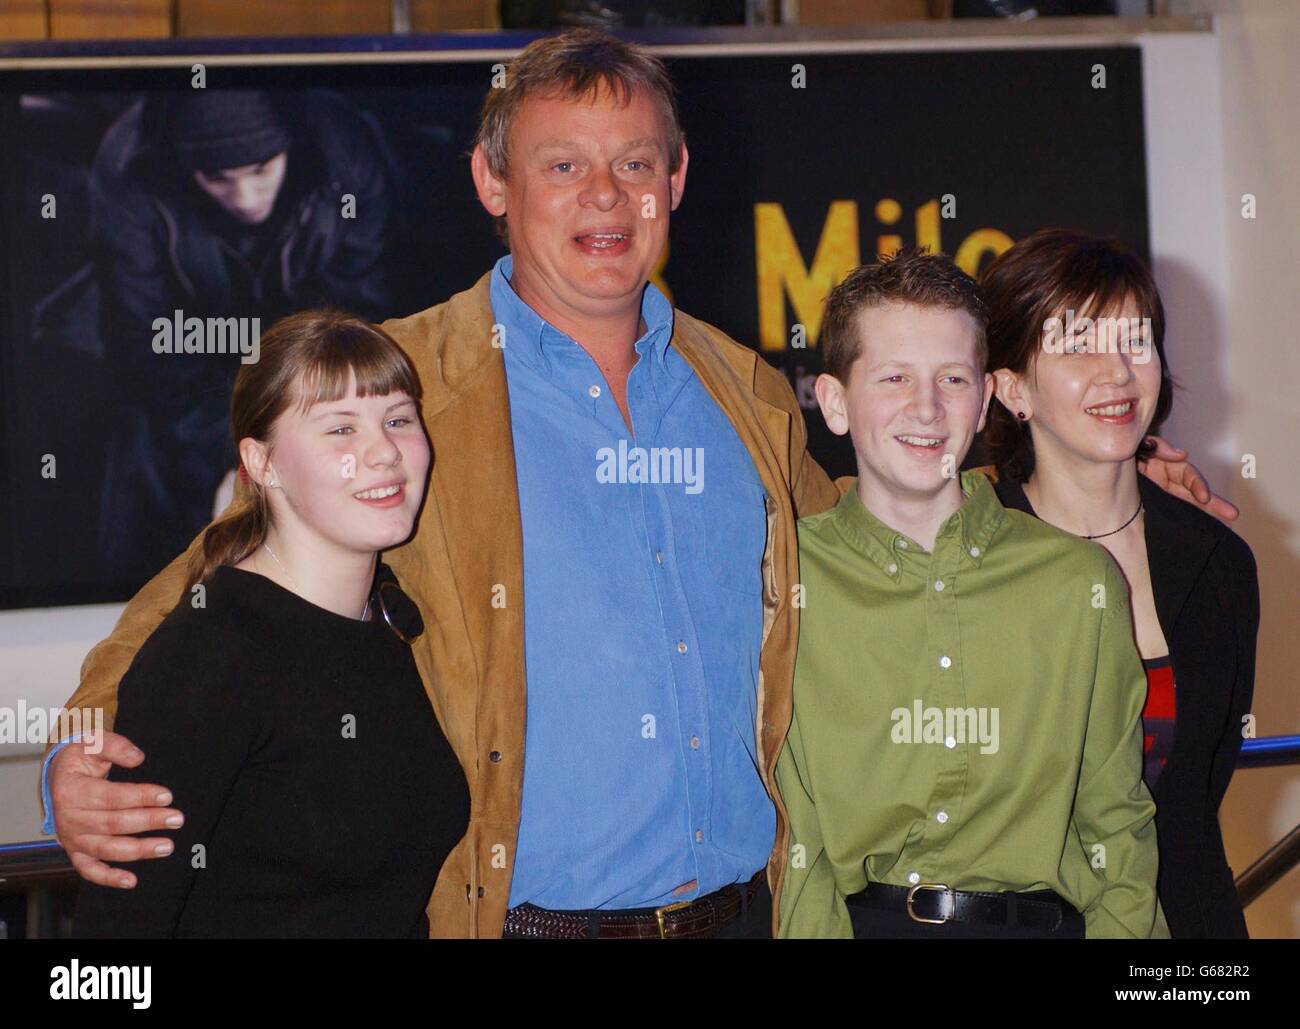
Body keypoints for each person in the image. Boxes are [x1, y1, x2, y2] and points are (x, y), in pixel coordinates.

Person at [42, 30, 1228, 940]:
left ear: (676, 177)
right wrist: (75, 753)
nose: (604, 198)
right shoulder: (405, 389)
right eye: (563, 165)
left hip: (748, 915)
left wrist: (1108, 486)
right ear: (493, 182)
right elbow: (206, 589)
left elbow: (894, 540)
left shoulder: (744, 394)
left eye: (634, 163)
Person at [776, 247, 1168, 939]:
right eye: (894, 376)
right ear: (833, 403)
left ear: (986, 398)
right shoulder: (788, 582)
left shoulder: (1078, 585)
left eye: (952, 378)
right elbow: (792, 835)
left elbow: (1119, 828)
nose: (925, 408)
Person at [71, 310, 468, 937]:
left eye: (398, 419)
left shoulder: (395, 624)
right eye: (340, 429)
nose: (384, 450)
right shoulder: (211, 651)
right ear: (262, 464)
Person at [981, 229, 1257, 937]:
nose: (1118, 372)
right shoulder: (970, 558)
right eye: (1077, 344)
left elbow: (1201, 786)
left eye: (1135, 340)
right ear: (1012, 386)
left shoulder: (1216, 561)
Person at [90, 89, 397, 582]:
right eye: (217, 179)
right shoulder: (128, 173)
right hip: (186, 377)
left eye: (261, 169)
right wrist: (232, 463)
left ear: (290, 148)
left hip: (318, 379)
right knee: (139, 474)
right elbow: (150, 352)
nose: (246, 199)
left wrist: (292, 456)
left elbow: (363, 330)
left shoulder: (347, 158)